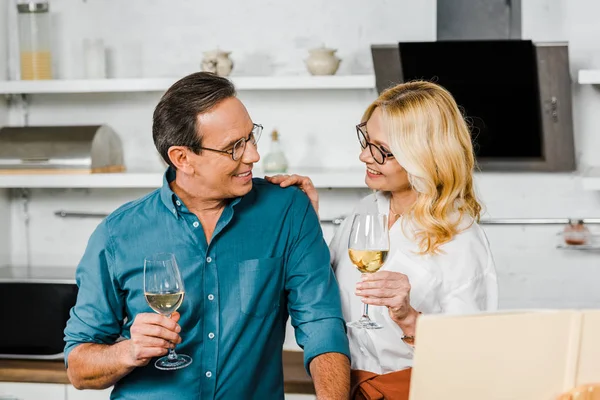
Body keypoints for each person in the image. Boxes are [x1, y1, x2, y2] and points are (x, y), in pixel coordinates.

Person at [64, 72, 351, 400]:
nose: (253, 156)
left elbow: (321, 323)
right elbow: (78, 367)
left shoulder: (287, 210)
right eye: (234, 147)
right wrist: (128, 351)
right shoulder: (117, 234)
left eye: (250, 137)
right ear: (182, 158)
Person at [266, 80, 499, 399]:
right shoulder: (365, 211)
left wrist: (408, 317)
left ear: (425, 155)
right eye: (366, 140)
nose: (364, 156)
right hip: (349, 388)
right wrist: (310, 220)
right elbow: (325, 291)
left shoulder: (460, 237)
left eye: (383, 151)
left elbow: (470, 355)